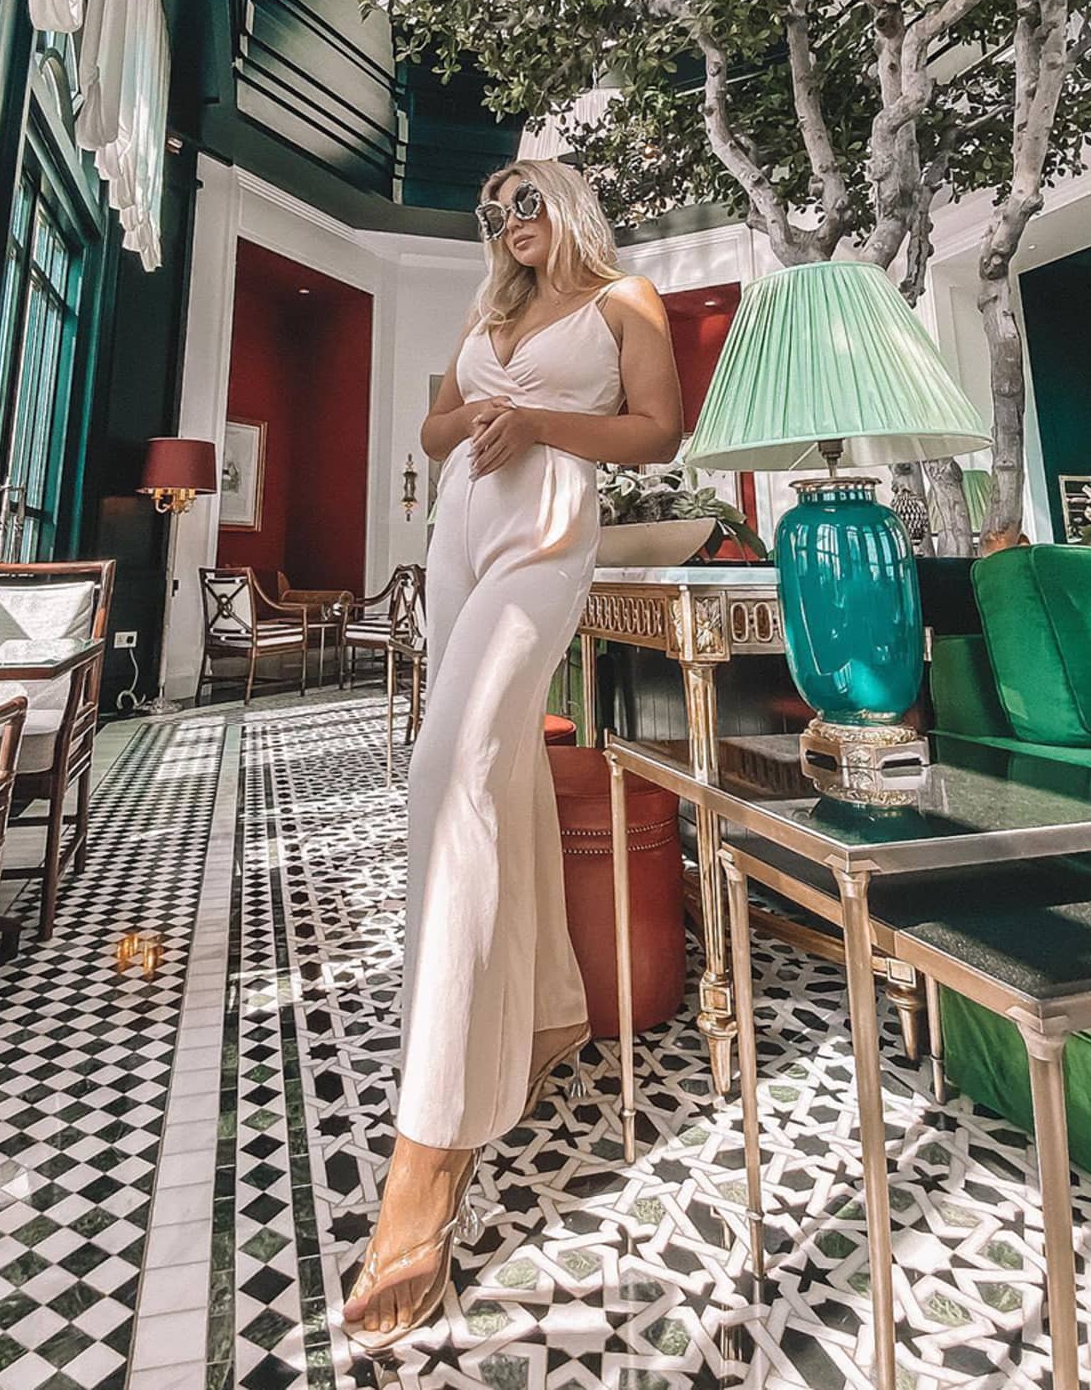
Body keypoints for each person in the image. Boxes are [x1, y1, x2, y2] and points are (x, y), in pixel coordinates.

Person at [342, 159, 684, 1354]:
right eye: (490, 210)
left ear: (565, 200)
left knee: (451, 778)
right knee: (499, 773)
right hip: (462, 535)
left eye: (522, 200)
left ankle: (430, 1153)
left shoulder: (622, 300)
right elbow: (437, 426)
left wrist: (534, 420)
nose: (505, 222)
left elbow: (657, 429)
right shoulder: (488, 313)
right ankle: (547, 1010)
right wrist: (476, 414)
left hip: (547, 535)